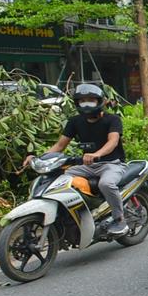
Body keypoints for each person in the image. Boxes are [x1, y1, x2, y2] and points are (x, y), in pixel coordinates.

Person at [23, 83, 129, 235]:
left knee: (106, 184)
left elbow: (113, 142)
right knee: (59, 181)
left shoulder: (112, 119)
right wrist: (38, 158)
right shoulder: (75, 121)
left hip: (111, 164)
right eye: (82, 100)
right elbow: (59, 146)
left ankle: (120, 220)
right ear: (77, 103)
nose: (86, 104)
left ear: (100, 101)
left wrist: (96, 154)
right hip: (85, 166)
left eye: (91, 100)